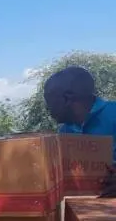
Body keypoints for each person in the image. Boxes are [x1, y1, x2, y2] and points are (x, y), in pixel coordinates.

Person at [44, 66, 116, 197]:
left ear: (67, 98)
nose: (47, 108)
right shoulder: (64, 133)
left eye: (49, 99)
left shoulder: (113, 114)